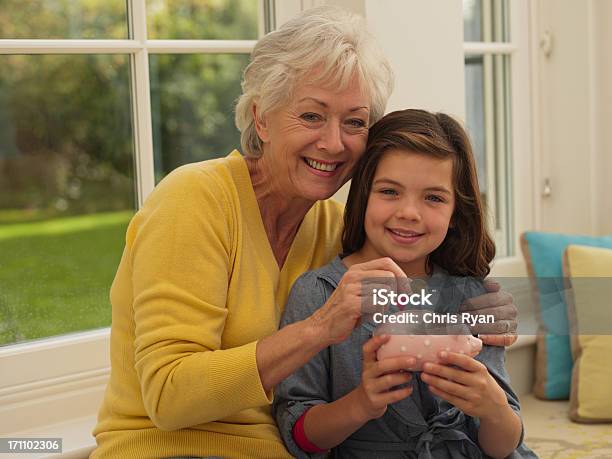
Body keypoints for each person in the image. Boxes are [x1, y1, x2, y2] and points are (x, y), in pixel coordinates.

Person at [91, 7, 519, 459]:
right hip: (166, 448)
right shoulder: (195, 199)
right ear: (262, 119)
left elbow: (423, 291)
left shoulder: (338, 230)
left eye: (354, 122)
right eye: (312, 116)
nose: (334, 143)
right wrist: (317, 329)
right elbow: (168, 397)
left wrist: (486, 311)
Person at [273, 109, 536, 458]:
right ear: (363, 195)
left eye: (434, 198)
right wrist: (361, 403)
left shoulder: (472, 296)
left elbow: (504, 445)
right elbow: (299, 435)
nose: (409, 213)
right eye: (390, 191)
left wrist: (492, 408)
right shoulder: (320, 294)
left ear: (456, 212)